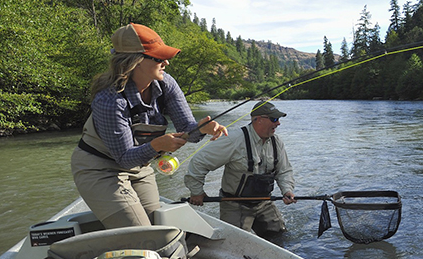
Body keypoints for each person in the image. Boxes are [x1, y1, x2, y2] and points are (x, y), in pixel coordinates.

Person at [71, 23, 227, 229]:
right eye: (158, 57)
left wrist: (202, 128)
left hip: (139, 167)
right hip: (99, 169)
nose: (166, 62)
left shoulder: (166, 84)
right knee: (142, 233)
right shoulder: (110, 100)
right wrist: (157, 145)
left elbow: (189, 130)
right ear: (134, 62)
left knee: (160, 225)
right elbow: (125, 158)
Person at [184, 101, 296, 240]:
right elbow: (199, 162)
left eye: (278, 119)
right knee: (235, 245)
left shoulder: (276, 142)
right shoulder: (234, 139)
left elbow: (284, 171)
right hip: (234, 206)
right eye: (274, 119)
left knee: (281, 238)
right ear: (259, 120)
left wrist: (287, 190)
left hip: (264, 203)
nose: (278, 123)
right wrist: (197, 192)